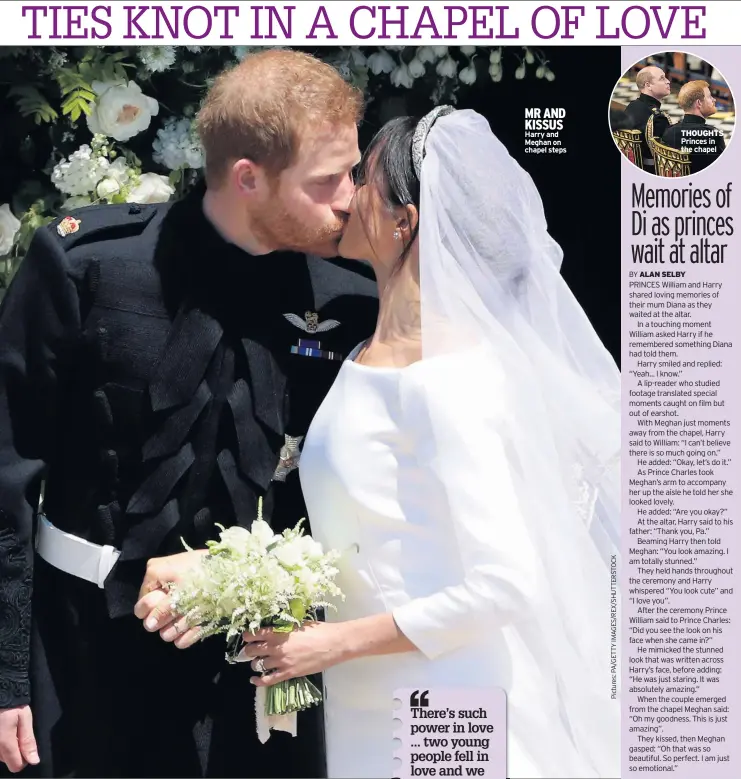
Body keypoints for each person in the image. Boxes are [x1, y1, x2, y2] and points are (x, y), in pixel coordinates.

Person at [0, 50, 377, 778]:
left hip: (270, 662)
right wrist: (6, 672)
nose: (350, 198)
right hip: (83, 652)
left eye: (353, 171)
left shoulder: (349, 298)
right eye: (327, 179)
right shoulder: (87, 267)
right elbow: (6, 471)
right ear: (247, 178)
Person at [237, 108, 621, 778]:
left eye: (362, 179)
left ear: (402, 222)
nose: (346, 192)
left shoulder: (447, 378)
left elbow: (503, 584)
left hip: (444, 706)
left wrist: (332, 641)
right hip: (367, 700)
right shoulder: (365, 351)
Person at [661, 80, 726, 174]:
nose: (714, 100)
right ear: (699, 103)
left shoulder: (669, 132)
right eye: (709, 97)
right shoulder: (712, 135)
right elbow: (722, 171)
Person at [624, 65, 671, 173]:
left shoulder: (631, 107)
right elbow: (667, 157)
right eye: (662, 78)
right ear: (648, 85)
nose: (668, 81)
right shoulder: (657, 118)